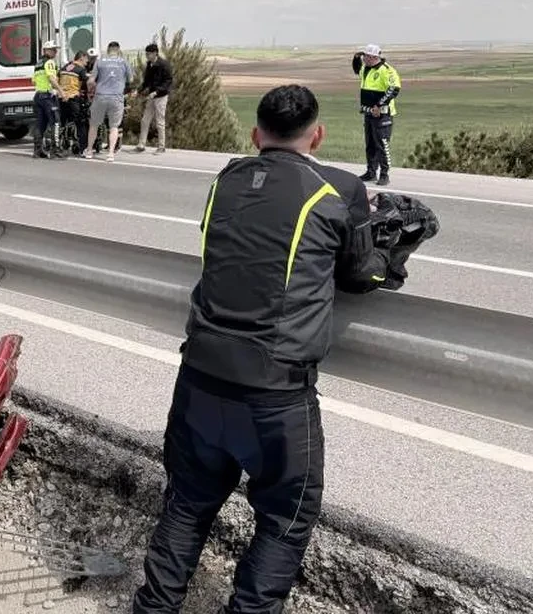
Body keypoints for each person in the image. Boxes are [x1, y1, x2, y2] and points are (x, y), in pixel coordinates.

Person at [131, 84, 393, 614]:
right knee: (285, 519)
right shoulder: (333, 192)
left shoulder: (224, 181)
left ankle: (153, 608)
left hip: (199, 380)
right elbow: (363, 275)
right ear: (317, 136)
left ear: (256, 135)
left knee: (187, 504)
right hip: (275, 396)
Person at [351, 44, 402, 186]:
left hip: (383, 114)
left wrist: (379, 105)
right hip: (368, 113)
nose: (363, 59)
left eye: (365, 57)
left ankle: (384, 174)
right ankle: (371, 172)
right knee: (370, 144)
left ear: (373, 57)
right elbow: (356, 69)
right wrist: (356, 58)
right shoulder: (365, 69)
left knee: (382, 145)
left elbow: (394, 89)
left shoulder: (387, 71)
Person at [84, 41, 132, 162]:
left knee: (94, 125)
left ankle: (89, 150)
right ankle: (110, 154)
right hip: (117, 97)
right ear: (118, 50)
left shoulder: (100, 62)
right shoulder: (124, 62)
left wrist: (91, 89)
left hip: (100, 96)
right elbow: (131, 79)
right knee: (114, 127)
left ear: (108, 50)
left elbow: (90, 81)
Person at [135, 43, 173, 154]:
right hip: (151, 96)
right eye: (146, 54)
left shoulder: (164, 65)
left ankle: (161, 146)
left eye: (149, 54)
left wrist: (157, 91)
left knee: (160, 121)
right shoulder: (149, 65)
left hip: (161, 96)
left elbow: (168, 81)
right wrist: (138, 91)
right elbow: (146, 82)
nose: (147, 56)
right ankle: (141, 144)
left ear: (155, 53)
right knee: (145, 120)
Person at [31, 40, 65, 158]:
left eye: (56, 49)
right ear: (46, 50)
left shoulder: (38, 63)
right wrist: (61, 92)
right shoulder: (50, 62)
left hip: (38, 96)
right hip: (48, 96)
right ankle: (55, 151)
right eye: (53, 49)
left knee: (40, 124)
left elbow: (33, 81)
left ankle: (37, 150)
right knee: (55, 123)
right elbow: (51, 78)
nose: (55, 52)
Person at [59, 50, 91, 155]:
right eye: (86, 59)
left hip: (62, 99)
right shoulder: (81, 69)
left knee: (63, 122)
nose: (87, 62)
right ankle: (83, 149)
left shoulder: (65, 67)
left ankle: (62, 145)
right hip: (73, 99)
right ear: (81, 58)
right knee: (81, 123)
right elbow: (88, 83)